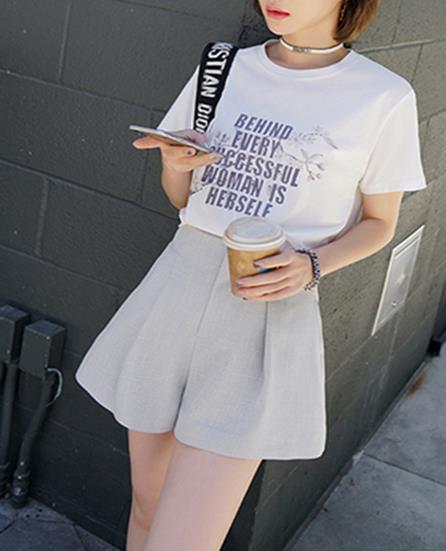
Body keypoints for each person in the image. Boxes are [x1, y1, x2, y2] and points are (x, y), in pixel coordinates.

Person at [74, 0, 427, 549]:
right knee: (146, 505)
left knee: (186, 539)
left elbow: (381, 223)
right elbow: (184, 202)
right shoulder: (222, 68)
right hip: (176, 288)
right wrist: (174, 165)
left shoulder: (383, 96)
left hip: (265, 308)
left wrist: (313, 264)